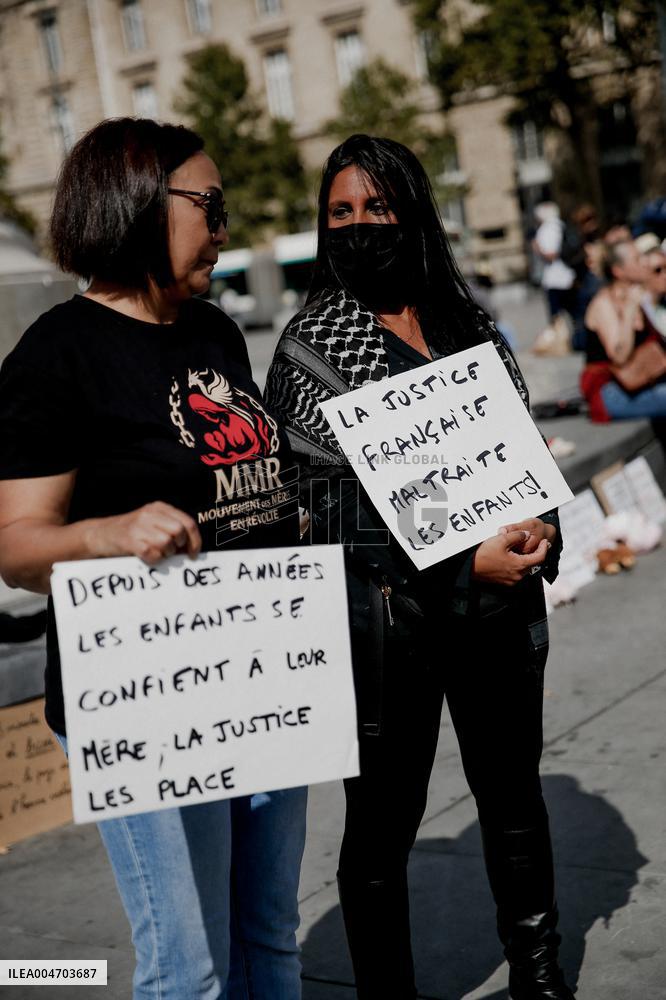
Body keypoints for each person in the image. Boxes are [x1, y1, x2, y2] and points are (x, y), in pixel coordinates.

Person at [0, 118, 306, 1000]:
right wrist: (107, 533)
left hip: (261, 673)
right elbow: (16, 546)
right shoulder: (55, 354)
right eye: (209, 205)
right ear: (137, 203)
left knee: (270, 934)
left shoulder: (214, 331)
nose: (223, 229)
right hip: (146, 693)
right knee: (189, 966)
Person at [265, 134, 573, 1000]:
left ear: (413, 212)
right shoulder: (311, 348)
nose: (359, 225)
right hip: (389, 629)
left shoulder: (468, 327)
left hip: (500, 617)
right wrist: (462, 558)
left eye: (377, 206)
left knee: (514, 800)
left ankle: (540, 976)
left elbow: (522, 457)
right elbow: (323, 504)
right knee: (381, 827)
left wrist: (541, 527)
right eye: (340, 212)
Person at [581, 239, 666, 426]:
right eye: (636, 259)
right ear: (618, 271)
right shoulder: (604, 304)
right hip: (610, 390)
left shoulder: (639, 295)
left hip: (642, 382)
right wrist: (629, 311)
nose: (643, 263)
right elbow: (619, 356)